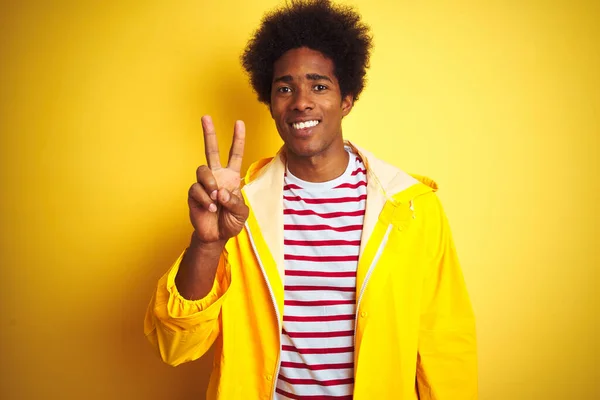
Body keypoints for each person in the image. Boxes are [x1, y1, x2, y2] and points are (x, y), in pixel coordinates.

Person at [144, 0, 477, 398]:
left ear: (346, 100)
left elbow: (444, 345)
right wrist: (208, 243)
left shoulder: (410, 206)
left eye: (319, 86)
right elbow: (176, 345)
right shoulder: (238, 207)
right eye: (285, 88)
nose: (301, 101)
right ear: (271, 104)